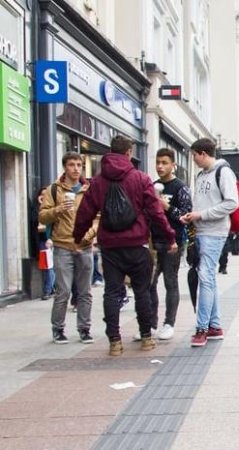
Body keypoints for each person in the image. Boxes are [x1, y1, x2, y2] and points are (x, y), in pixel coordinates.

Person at [73, 136, 177, 356]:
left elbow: (85, 212)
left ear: (111, 152)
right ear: (129, 152)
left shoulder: (98, 182)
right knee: (142, 292)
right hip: (137, 244)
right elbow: (156, 212)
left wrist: (78, 236)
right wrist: (169, 237)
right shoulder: (140, 179)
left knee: (112, 292)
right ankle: (146, 338)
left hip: (110, 246)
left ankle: (115, 342)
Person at [180, 137, 239, 347]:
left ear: (203, 153)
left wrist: (201, 215)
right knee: (208, 278)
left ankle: (202, 328)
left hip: (215, 231)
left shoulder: (223, 172)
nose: (194, 160)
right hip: (203, 230)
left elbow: (232, 203)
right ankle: (214, 326)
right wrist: (192, 216)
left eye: (194, 155)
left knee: (205, 276)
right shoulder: (201, 175)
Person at [39, 152, 98, 345]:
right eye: (71, 165)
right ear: (65, 167)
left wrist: (89, 235)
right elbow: (42, 217)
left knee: (85, 291)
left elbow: (98, 217)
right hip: (62, 246)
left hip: (85, 246)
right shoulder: (54, 189)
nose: (75, 168)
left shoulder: (89, 189)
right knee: (63, 291)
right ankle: (58, 329)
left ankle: (84, 329)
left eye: (79, 165)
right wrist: (58, 210)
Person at [149, 148, 192, 341]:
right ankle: (150, 324)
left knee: (170, 282)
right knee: (148, 283)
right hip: (152, 241)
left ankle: (169, 323)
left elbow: (186, 216)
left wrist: (166, 207)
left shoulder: (180, 187)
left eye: (165, 162)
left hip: (172, 242)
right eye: (158, 162)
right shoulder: (152, 185)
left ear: (173, 165)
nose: (160, 166)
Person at [35, 186, 56, 301]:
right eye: (42, 194)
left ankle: (48, 290)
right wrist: (39, 206)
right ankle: (51, 288)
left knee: (49, 266)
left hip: (49, 240)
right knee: (46, 266)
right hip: (42, 241)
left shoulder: (52, 209)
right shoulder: (38, 209)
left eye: (46, 194)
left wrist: (51, 238)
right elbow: (36, 219)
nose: (44, 196)